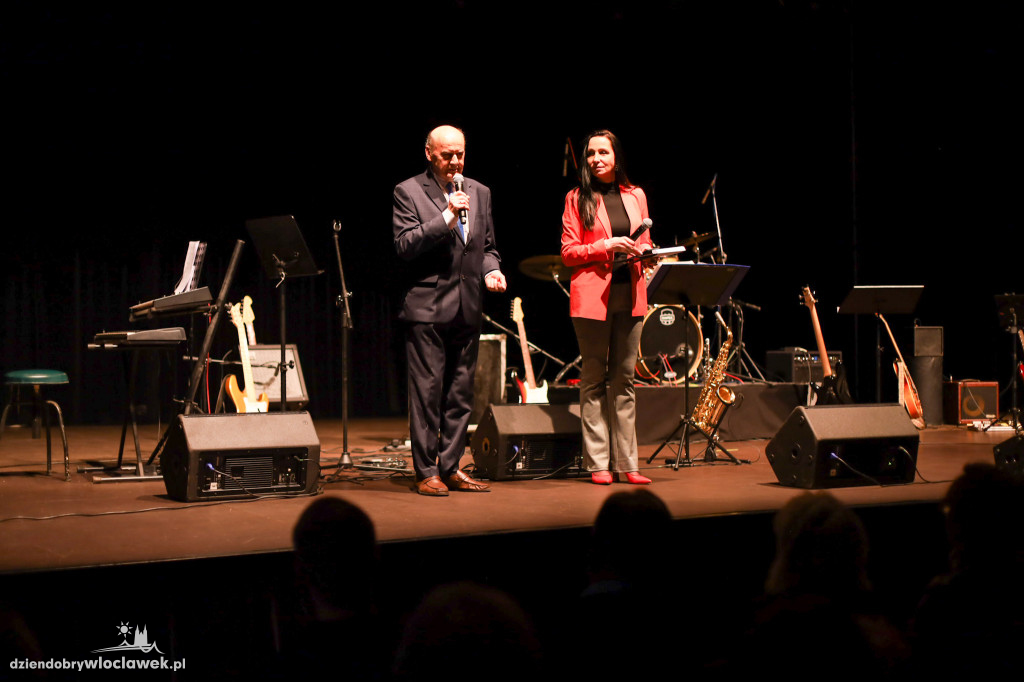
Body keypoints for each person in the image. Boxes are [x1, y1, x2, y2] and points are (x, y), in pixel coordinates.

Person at [394, 124, 507, 496]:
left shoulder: (481, 192)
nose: (455, 162)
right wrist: (445, 216)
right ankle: (426, 471)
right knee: (427, 393)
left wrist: (492, 270)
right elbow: (405, 245)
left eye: (460, 153)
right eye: (447, 155)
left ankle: (451, 466)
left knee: (461, 394)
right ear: (429, 154)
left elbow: (487, 246)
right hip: (427, 307)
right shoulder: (408, 191)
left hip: (468, 305)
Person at [560, 130, 653, 485]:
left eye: (603, 152)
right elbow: (569, 252)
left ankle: (628, 463)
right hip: (592, 298)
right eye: (590, 154)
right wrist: (606, 245)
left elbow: (643, 240)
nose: (596, 158)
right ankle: (599, 463)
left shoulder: (636, 195)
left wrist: (647, 251)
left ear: (616, 157)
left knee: (625, 380)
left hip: (631, 294)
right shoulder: (576, 198)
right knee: (594, 380)